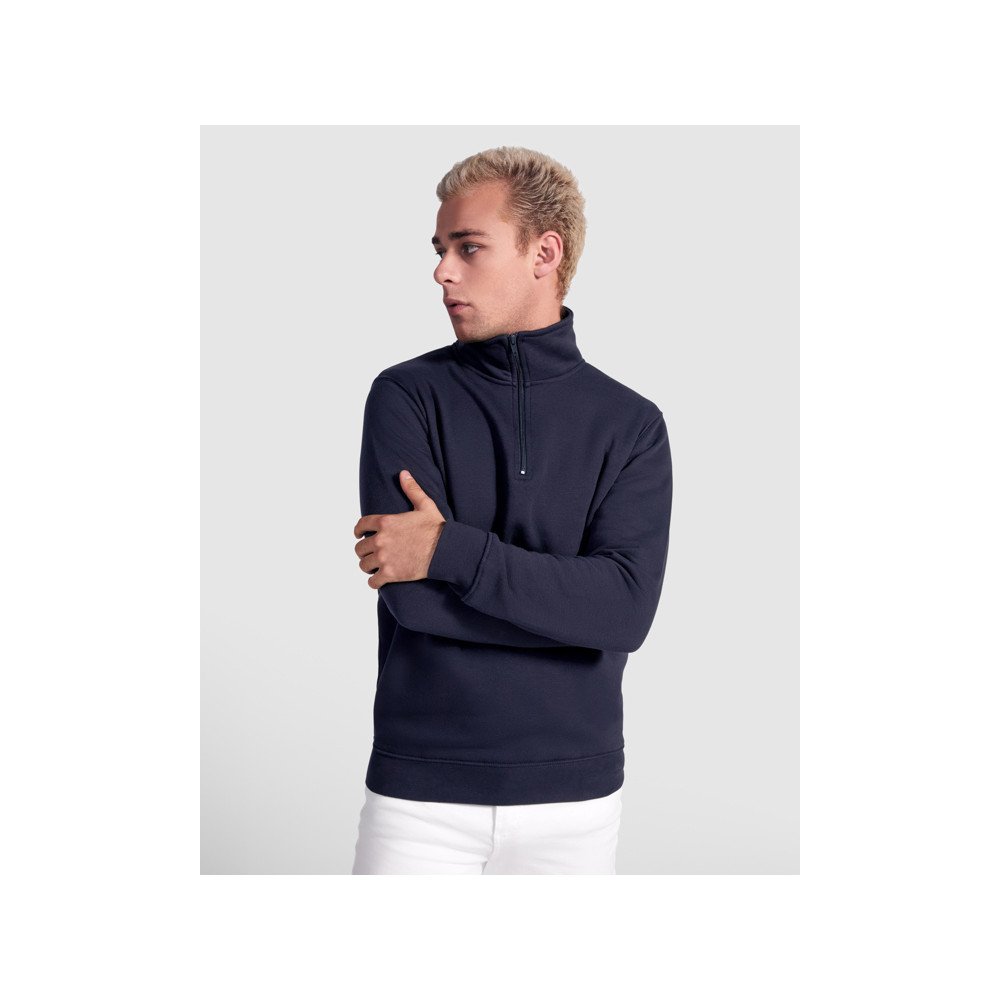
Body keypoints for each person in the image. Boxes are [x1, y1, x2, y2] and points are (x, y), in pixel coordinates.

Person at [350, 146, 673, 874]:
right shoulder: (404, 397)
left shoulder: (631, 424)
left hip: (576, 802)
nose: (442, 271)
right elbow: (413, 601)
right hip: (420, 797)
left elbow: (624, 613)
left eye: (468, 247)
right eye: (440, 249)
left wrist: (450, 551)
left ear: (544, 253)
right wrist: (567, 608)